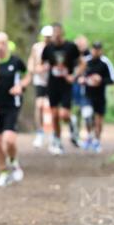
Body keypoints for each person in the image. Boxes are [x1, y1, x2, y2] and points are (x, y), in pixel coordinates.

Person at [0, 32, 30, 187]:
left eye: (3, 43)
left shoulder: (16, 61)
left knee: (9, 140)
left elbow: (27, 76)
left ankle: (14, 162)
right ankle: (4, 172)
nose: (0, 46)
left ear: (7, 45)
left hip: (12, 105)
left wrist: (21, 86)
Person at [41, 23, 84, 155]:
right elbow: (42, 64)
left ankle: (72, 122)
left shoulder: (71, 47)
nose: (57, 36)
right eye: (54, 33)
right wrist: (45, 69)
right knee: (54, 115)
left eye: (59, 33)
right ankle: (58, 140)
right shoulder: (48, 48)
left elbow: (82, 63)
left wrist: (74, 76)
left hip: (66, 84)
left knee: (63, 115)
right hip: (53, 84)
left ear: (63, 33)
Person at [83, 41, 114, 153]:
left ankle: (97, 140)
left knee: (98, 120)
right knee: (87, 116)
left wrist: (101, 80)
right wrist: (83, 80)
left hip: (100, 96)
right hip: (87, 95)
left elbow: (112, 79)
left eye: (98, 49)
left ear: (101, 50)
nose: (96, 51)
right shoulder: (85, 61)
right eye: (94, 49)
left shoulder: (105, 63)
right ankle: (89, 136)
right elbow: (78, 75)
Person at [28, 25, 53, 148]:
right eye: (46, 36)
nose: (48, 39)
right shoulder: (37, 47)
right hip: (40, 80)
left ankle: (53, 134)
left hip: (53, 81)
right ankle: (40, 132)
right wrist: (35, 70)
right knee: (39, 106)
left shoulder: (55, 48)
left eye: (49, 36)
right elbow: (31, 63)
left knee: (52, 107)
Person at [70, 35, 90, 148]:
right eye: (78, 45)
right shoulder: (72, 56)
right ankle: (75, 134)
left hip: (88, 87)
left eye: (82, 44)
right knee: (75, 110)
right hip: (75, 86)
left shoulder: (89, 55)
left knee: (86, 112)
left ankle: (88, 136)